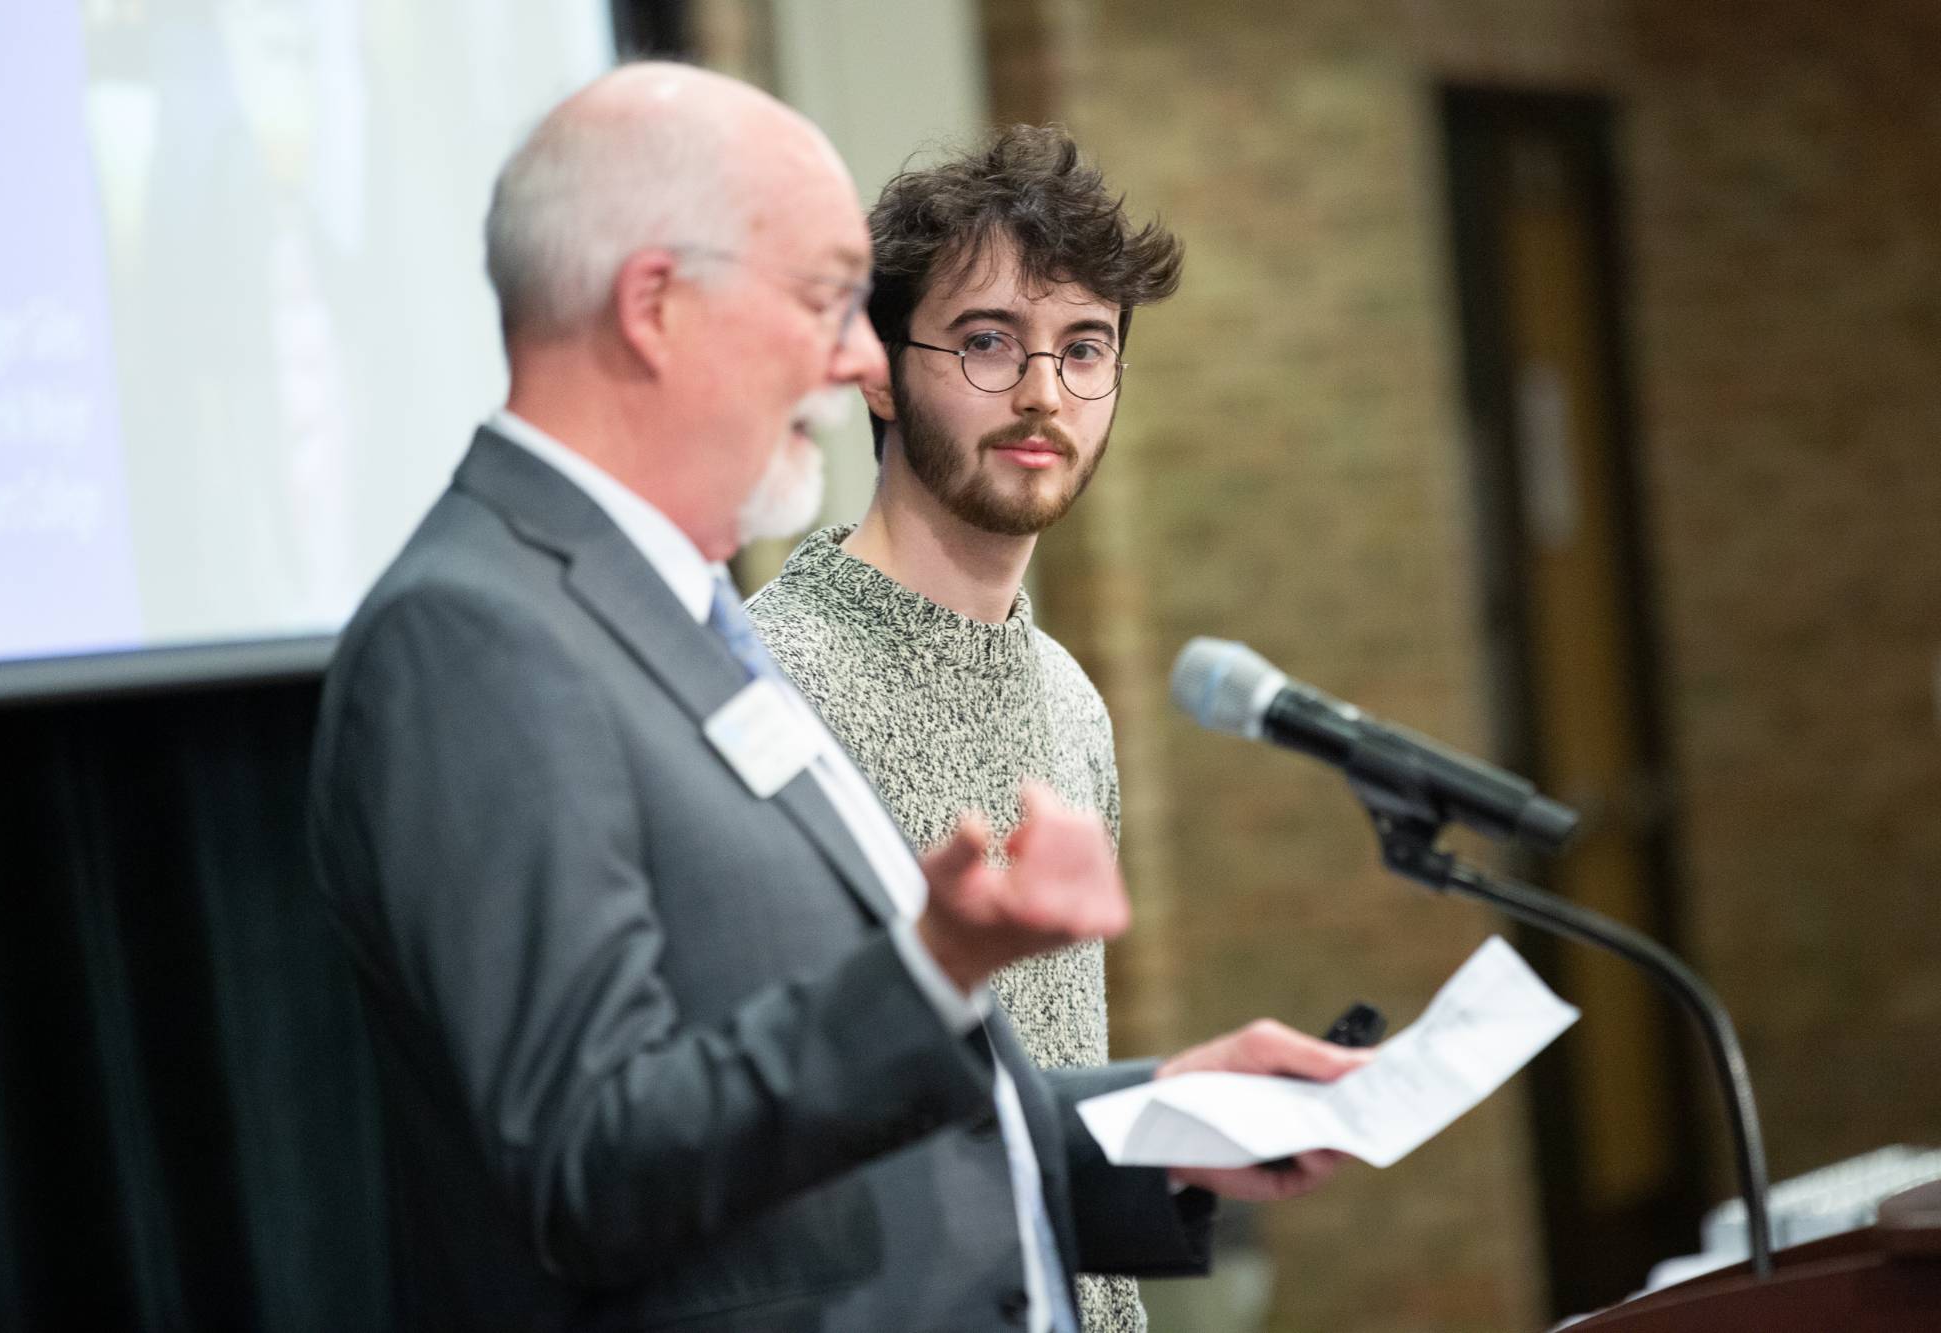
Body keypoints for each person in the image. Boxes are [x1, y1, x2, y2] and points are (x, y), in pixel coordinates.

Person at [307, 63, 1364, 1332]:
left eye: (1083, 348)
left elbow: (893, 1130)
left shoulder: (668, 618)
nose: (857, 351)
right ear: (656, 306)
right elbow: (588, 1163)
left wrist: (1164, 1118)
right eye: (822, 298)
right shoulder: (475, 638)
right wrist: (933, 969)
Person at [745, 125, 1177, 1333]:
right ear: (877, 370)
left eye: (1082, 348)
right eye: (988, 341)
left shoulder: (1071, 698)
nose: (1042, 391)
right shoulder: (772, 691)